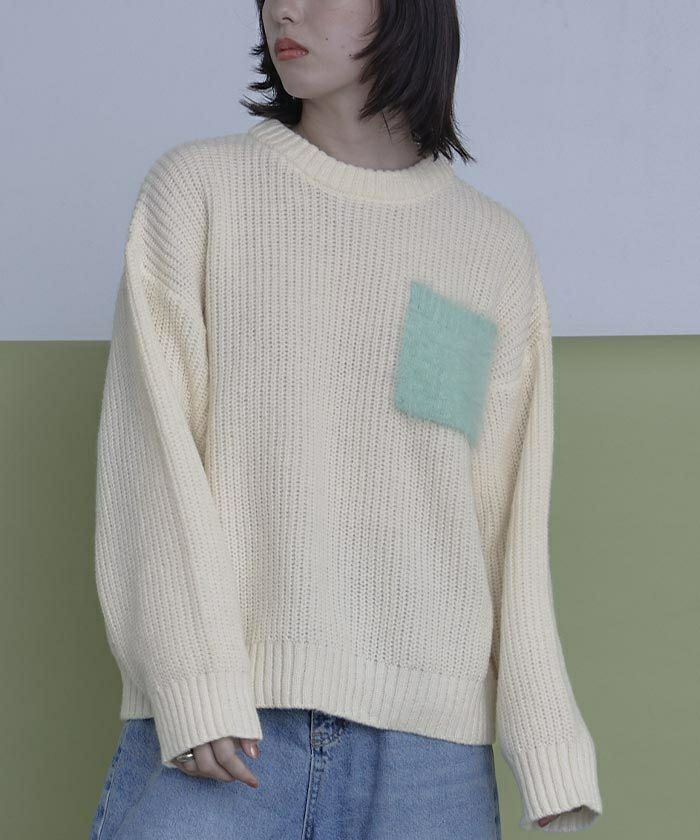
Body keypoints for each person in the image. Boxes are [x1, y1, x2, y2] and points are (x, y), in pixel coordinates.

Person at [89, 1, 603, 837]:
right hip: (230, 731)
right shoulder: (201, 192)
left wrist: (547, 743)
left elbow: (501, 516)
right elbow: (150, 457)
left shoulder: (488, 248)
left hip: (429, 761)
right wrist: (192, 679)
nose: (285, 9)